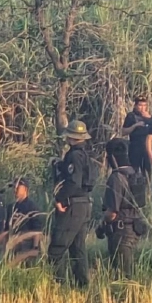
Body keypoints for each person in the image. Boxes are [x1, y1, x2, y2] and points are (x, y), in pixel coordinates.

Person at [48, 120, 97, 288]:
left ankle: (58, 286)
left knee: (56, 249)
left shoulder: (74, 156)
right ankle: (82, 286)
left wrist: (60, 199)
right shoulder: (86, 156)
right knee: (77, 249)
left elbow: (73, 182)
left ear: (70, 137)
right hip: (84, 204)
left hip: (72, 206)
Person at [98, 138, 148, 276]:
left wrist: (101, 224)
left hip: (121, 231)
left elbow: (112, 212)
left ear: (111, 157)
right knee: (128, 271)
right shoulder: (136, 174)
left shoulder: (116, 178)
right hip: (134, 229)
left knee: (122, 274)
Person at [8, 178, 46, 260]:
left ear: (25, 189)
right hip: (13, 244)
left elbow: (37, 229)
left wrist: (35, 247)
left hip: (27, 244)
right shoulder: (11, 207)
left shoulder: (32, 207)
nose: (14, 190)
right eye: (14, 187)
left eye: (17, 187)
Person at [122, 97, 152, 182]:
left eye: (144, 105)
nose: (142, 108)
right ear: (136, 106)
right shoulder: (131, 116)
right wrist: (135, 125)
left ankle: (147, 187)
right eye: (140, 105)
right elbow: (124, 131)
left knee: (147, 172)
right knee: (134, 170)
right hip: (135, 146)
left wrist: (149, 118)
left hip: (148, 148)